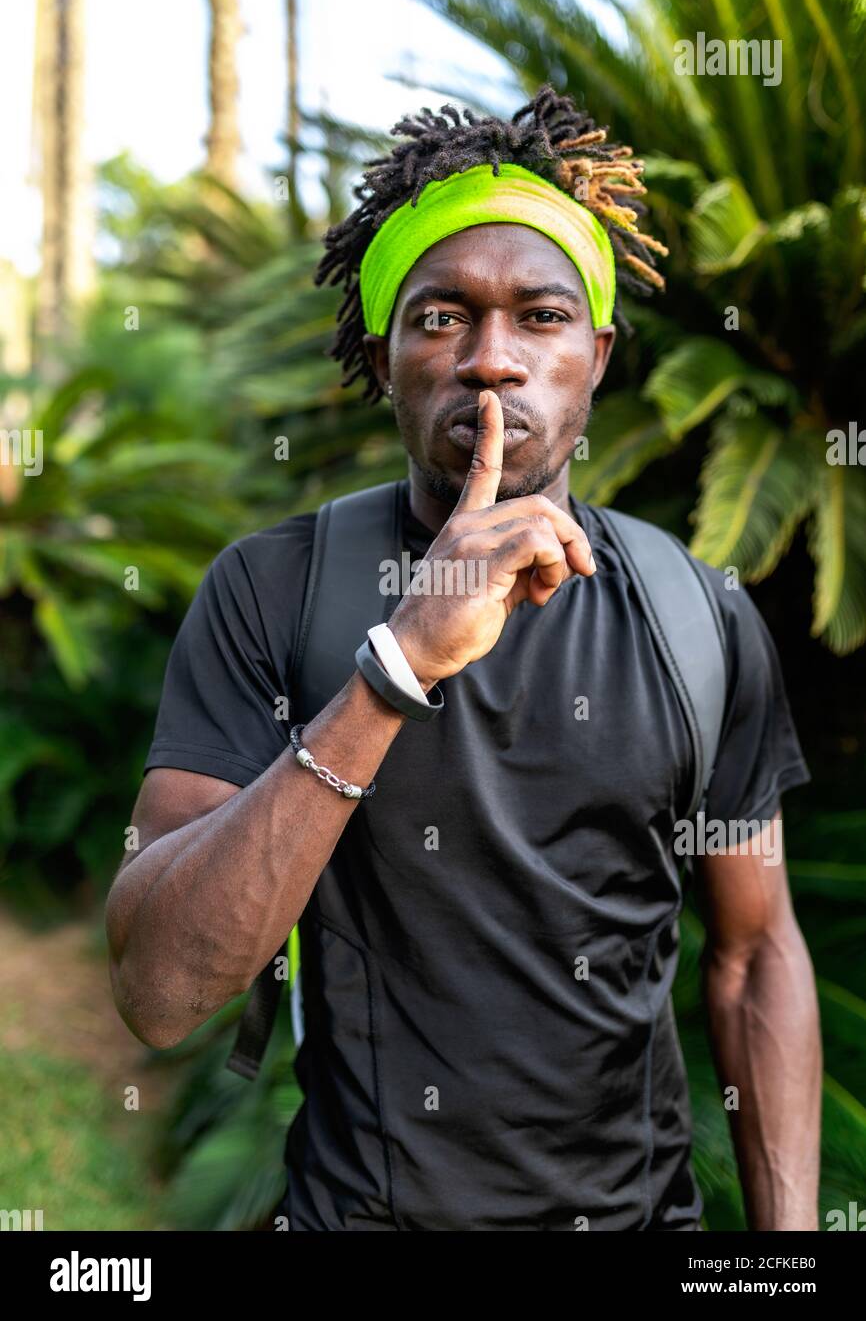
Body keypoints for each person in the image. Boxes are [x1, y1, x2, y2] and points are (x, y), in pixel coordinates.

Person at [106, 86, 819, 1231]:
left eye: (538, 317)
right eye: (441, 317)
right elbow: (158, 992)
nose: (490, 360)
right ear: (384, 357)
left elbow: (753, 951)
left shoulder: (695, 614)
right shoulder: (272, 590)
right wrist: (393, 667)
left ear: (593, 355)